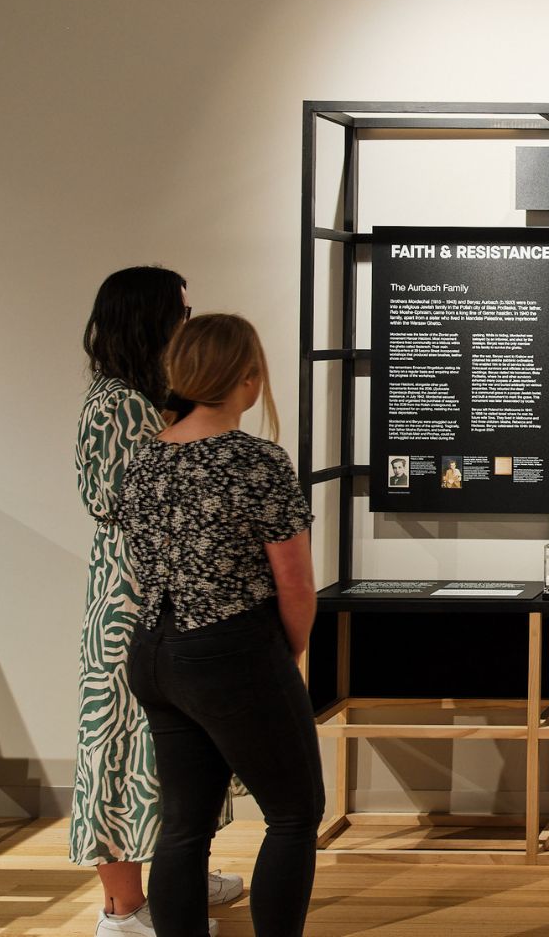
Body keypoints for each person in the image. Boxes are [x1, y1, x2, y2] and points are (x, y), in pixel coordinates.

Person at [119, 314, 324, 937]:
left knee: (185, 824)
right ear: (247, 376)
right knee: (293, 813)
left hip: (154, 651)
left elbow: (139, 565)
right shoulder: (255, 460)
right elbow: (294, 582)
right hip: (230, 648)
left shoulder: (146, 460)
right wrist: (284, 656)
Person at [74, 267, 241, 936]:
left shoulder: (143, 400)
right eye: (179, 312)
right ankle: (123, 909)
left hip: (162, 589)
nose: (188, 321)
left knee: (175, 741)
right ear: (148, 320)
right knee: (120, 744)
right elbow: (116, 500)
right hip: (130, 597)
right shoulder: (117, 404)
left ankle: (180, 877)